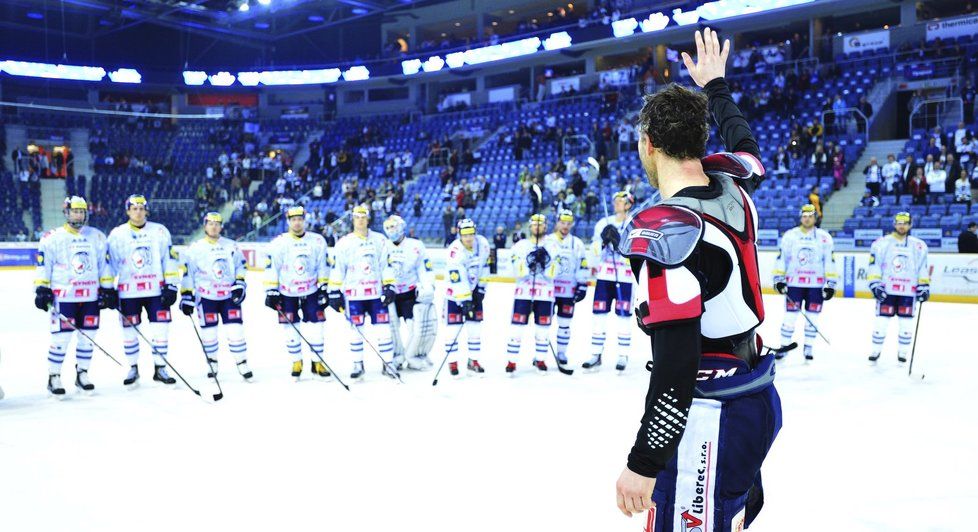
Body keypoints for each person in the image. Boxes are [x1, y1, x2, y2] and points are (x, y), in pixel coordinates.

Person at [614, 29, 780, 531]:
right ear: (701, 141)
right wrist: (716, 87)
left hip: (711, 414)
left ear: (647, 144)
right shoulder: (734, 182)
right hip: (755, 390)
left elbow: (676, 364)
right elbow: (747, 145)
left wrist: (643, 463)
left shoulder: (664, 229)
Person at [33, 196, 113, 395]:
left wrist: (108, 288)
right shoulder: (52, 237)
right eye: (74, 211)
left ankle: (82, 373)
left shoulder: (97, 236)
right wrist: (42, 288)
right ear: (66, 212)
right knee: (61, 338)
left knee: (88, 337)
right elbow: (44, 265)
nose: (78, 214)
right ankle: (54, 376)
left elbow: (104, 266)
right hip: (64, 298)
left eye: (81, 211)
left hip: (90, 298)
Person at [107, 194, 180, 386]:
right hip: (128, 292)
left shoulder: (160, 231)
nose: (138, 212)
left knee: (161, 330)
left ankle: (160, 368)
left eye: (141, 208)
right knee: (130, 332)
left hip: (157, 291)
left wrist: (171, 285)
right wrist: (107, 289)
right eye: (134, 208)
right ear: (128, 211)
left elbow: (169, 260)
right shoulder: (117, 234)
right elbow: (110, 263)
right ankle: (133, 368)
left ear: (146, 210)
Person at [178, 212, 252, 381]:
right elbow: (188, 274)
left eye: (217, 223)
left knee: (236, 331)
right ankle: (212, 363)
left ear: (221, 226)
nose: (214, 226)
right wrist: (186, 295)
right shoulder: (195, 248)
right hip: (206, 297)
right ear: (205, 226)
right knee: (209, 333)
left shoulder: (231, 246)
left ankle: (242, 363)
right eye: (210, 223)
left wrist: (240, 284)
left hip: (228, 297)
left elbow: (241, 267)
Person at [328, 205, 397, 380]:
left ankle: (388, 364)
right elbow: (338, 269)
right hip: (354, 295)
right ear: (353, 219)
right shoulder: (344, 242)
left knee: (384, 330)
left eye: (363, 217)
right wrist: (334, 291)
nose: (360, 220)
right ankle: (357, 364)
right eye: (357, 217)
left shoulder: (380, 240)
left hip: (376, 294)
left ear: (368, 219)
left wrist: (389, 286)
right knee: (355, 331)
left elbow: (385, 265)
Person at [263, 205, 331, 380]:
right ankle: (296, 361)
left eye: (300, 219)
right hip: (287, 292)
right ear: (288, 222)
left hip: (312, 291)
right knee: (290, 328)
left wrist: (324, 287)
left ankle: (318, 362)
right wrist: (271, 290)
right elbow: (272, 267)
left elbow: (322, 266)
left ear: (304, 220)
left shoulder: (317, 240)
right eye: (293, 220)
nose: (297, 223)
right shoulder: (279, 242)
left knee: (317, 327)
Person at [772, 204, 837, 361]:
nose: (807, 219)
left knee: (812, 318)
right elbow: (782, 259)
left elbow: (829, 261)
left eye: (810, 216)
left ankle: (808, 347)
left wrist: (831, 284)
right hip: (794, 284)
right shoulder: (790, 235)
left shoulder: (824, 237)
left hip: (816, 285)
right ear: (801, 217)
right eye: (804, 216)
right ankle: (784, 346)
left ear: (815, 218)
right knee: (790, 317)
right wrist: (779, 280)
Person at [583, 190, 635, 373]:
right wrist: (603, 242)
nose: (616, 203)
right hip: (605, 277)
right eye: (615, 200)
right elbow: (594, 252)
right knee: (599, 315)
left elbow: (635, 250)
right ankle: (596, 354)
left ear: (628, 204)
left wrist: (619, 243)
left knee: (623, 316)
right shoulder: (603, 223)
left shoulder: (633, 223)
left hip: (625, 277)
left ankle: (623, 355)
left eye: (620, 201)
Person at [868, 212, 930, 363]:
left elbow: (922, 268)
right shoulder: (881, 243)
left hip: (909, 291)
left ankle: (903, 354)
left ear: (910, 225)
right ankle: (875, 351)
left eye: (905, 223)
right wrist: (875, 285)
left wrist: (924, 286)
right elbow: (874, 265)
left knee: (906, 323)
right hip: (887, 290)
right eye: (899, 223)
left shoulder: (919, 245)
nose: (902, 226)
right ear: (894, 224)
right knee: (881, 322)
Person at [504, 214, 560, 374]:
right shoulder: (520, 245)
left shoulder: (553, 245)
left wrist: (545, 262)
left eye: (540, 224)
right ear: (530, 227)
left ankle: (540, 359)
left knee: (542, 330)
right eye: (534, 224)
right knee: (516, 329)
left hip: (545, 294)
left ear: (545, 226)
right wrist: (530, 262)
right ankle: (512, 361)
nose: (537, 227)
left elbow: (554, 273)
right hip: (523, 294)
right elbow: (517, 271)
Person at [382, 214, 437, 371]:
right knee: (391, 328)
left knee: (417, 328)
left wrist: (428, 287)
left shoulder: (416, 245)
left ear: (402, 226)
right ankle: (396, 357)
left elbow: (425, 269)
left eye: (394, 226)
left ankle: (415, 355)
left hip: (409, 294)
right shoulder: (382, 246)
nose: (391, 230)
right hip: (390, 294)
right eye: (388, 227)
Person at [443, 219, 490, 377]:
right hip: (455, 295)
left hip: (474, 292)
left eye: (471, 234)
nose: (468, 238)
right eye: (465, 235)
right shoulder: (454, 251)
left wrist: (481, 290)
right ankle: (453, 362)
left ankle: (473, 361)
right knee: (453, 330)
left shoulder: (483, 244)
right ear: (459, 235)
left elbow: (485, 267)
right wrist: (465, 299)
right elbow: (456, 277)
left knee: (474, 329)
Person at [544, 209, 590, 367]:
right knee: (543, 323)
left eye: (568, 223)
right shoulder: (547, 240)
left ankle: (562, 352)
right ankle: (541, 354)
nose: (565, 226)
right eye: (562, 222)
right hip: (548, 290)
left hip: (568, 291)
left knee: (564, 324)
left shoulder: (576, 243)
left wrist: (582, 284)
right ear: (557, 222)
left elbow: (582, 264)